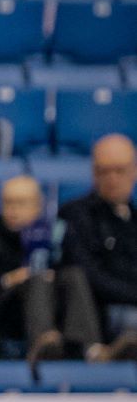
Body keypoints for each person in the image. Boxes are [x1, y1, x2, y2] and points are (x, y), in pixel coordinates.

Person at [0, 175, 111, 363]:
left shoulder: (56, 237)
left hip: (56, 306)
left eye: (21, 203)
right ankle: (43, 346)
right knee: (37, 280)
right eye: (8, 203)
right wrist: (9, 280)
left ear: (38, 205)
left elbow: (78, 269)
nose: (14, 210)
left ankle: (89, 348)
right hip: (8, 313)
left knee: (73, 275)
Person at [59, 134, 137, 347]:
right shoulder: (75, 214)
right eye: (104, 171)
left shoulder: (133, 217)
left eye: (120, 170)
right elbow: (87, 275)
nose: (112, 178)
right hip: (100, 312)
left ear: (134, 171)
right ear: (94, 173)